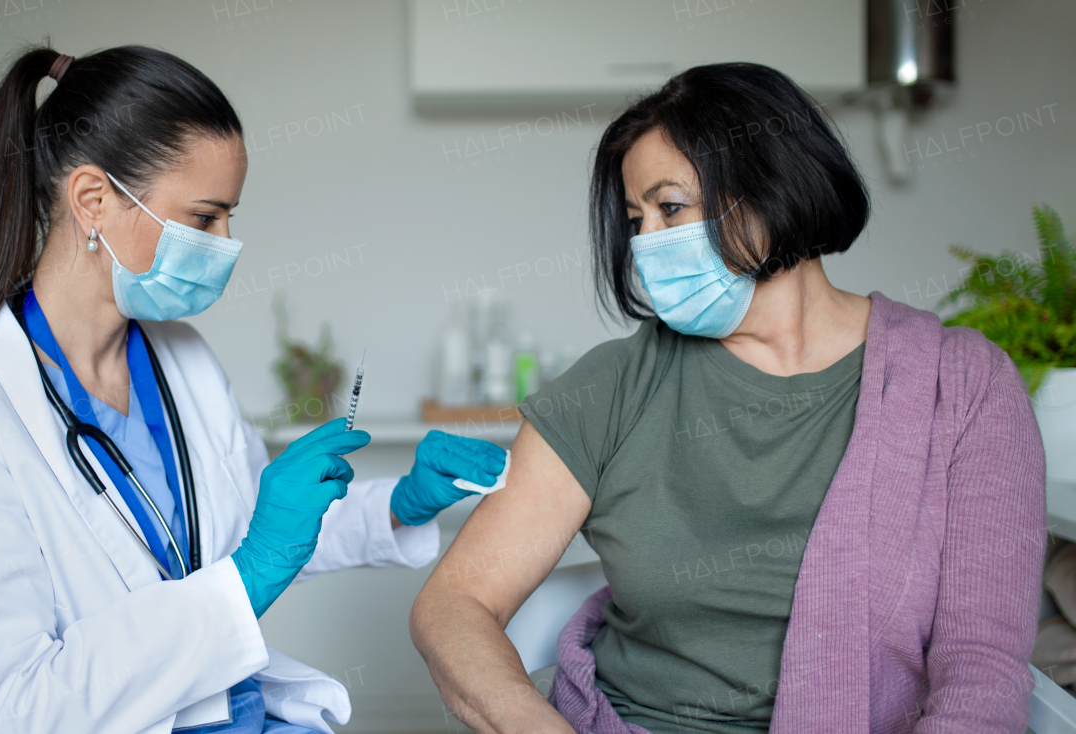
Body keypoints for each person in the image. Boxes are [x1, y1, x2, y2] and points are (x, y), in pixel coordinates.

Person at [0, 45, 505, 734]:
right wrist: (252, 572)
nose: (228, 241)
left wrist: (400, 506)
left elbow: (259, 531)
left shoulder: (178, 361)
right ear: (92, 202)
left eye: (230, 216)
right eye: (205, 218)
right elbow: (22, 709)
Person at [410, 63, 1047, 733]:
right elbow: (455, 602)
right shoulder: (612, 389)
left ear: (772, 184)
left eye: (671, 208)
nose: (647, 244)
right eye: (636, 219)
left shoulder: (964, 388)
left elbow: (980, 667)